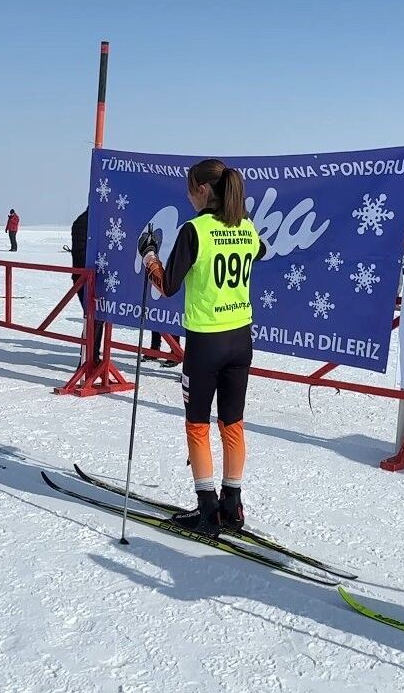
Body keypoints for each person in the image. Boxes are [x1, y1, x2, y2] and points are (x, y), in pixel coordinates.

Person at [140, 158, 265, 535]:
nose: (187, 196)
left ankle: (208, 510)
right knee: (232, 422)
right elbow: (259, 251)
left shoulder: (196, 230)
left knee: (197, 424)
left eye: (189, 189)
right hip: (241, 337)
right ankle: (233, 505)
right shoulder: (245, 225)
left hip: (206, 341)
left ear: (204, 190)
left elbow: (167, 285)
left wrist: (149, 254)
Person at [71, 208, 103, 366]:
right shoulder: (85, 223)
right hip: (86, 279)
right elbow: (84, 255)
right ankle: (87, 359)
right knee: (93, 318)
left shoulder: (92, 221)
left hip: (90, 278)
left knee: (97, 318)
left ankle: (92, 356)